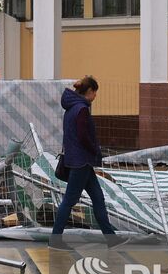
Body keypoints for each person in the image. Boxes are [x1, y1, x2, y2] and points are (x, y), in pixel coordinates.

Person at [49, 76, 123, 249]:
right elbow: (83, 136)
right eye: (95, 92)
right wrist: (95, 150)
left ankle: (111, 239)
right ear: (89, 92)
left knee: (98, 197)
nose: (96, 96)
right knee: (69, 200)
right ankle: (55, 240)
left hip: (78, 160)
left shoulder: (71, 109)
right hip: (81, 161)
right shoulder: (82, 109)